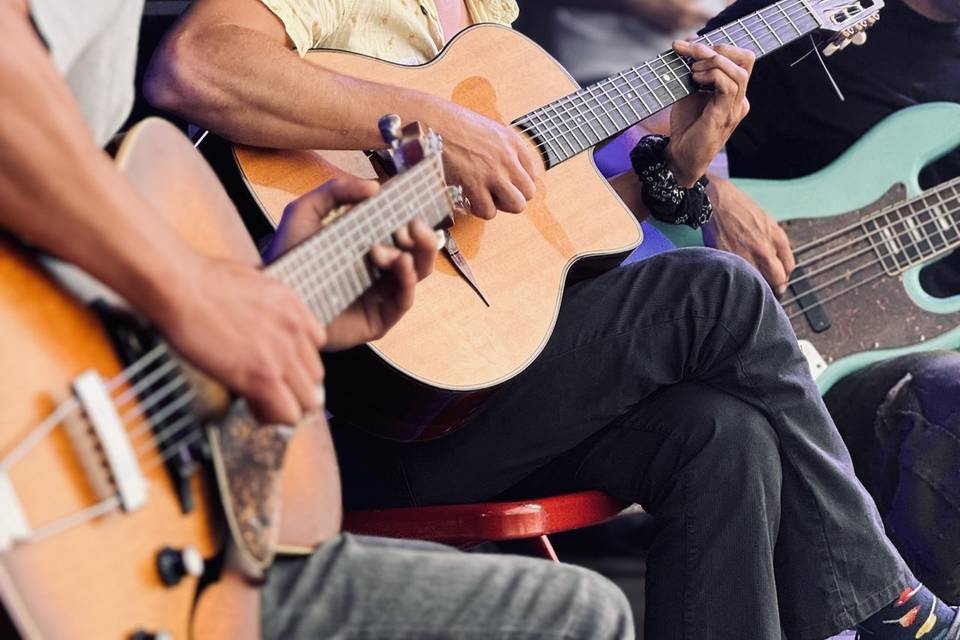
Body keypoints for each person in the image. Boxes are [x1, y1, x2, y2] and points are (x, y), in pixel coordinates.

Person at [144, 2, 960, 639]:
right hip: (352, 418)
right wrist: (433, 128)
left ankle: (868, 599)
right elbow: (194, 65)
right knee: (715, 291)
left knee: (720, 436)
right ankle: (883, 598)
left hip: (478, 397)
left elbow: (562, 225)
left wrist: (683, 159)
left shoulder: (488, 25)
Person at [0, 0, 635, 638]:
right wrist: (193, 293)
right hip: (44, 433)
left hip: (131, 464)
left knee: (596, 594)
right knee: (707, 295)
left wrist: (290, 294)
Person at [694, 0, 960, 605]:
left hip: (921, 335)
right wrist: (711, 194)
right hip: (782, 352)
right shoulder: (813, 15)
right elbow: (632, 129)